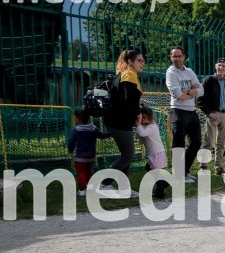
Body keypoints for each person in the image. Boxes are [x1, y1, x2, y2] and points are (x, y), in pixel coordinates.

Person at [100, 49, 144, 197]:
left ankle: (124, 189)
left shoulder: (127, 74)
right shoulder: (129, 75)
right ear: (130, 61)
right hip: (118, 122)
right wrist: (138, 113)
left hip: (118, 121)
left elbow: (129, 100)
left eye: (143, 61)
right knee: (128, 155)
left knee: (127, 155)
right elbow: (130, 100)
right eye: (139, 60)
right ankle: (103, 184)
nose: (142, 63)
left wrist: (137, 110)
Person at [166, 46, 202, 184]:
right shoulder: (170, 73)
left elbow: (201, 89)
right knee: (179, 143)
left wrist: (188, 93)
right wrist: (192, 92)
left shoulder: (189, 71)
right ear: (171, 57)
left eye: (179, 56)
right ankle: (177, 175)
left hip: (192, 111)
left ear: (184, 57)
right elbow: (178, 95)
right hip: (178, 111)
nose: (177, 59)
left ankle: (184, 171)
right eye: (174, 56)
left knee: (196, 142)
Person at [200, 57, 225, 176]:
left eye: (223, 66)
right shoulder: (209, 80)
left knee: (221, 143)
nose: (221, 68)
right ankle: (203, 167)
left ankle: (219, 168)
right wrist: (209, 113)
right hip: (213, 114)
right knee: (208, 142)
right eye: (219, 65)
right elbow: (200, 98)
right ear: (216, 66)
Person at [67, 108, 110, 196]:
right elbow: (102, 135)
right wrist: (111, 133)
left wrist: (70, 149)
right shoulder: (93, 128)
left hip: (80, 156)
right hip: (91, 155)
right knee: (89, 170)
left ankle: (83, 190)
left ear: (78, 118)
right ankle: (91, 188)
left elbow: (70, 142)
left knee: (81, 172)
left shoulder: (75, 130)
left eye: (75, 117)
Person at [136, 107, 168, 199]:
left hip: (156, 153)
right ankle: (165, 183)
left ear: (145, 117)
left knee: (155, 172)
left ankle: (160, 191)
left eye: (140, 118)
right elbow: (138, 136)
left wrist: (138, 125)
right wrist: (140, 126)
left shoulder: (152, 127)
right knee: (150, 168)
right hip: (155, 153)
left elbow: (142, 134)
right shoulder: (147, 127)